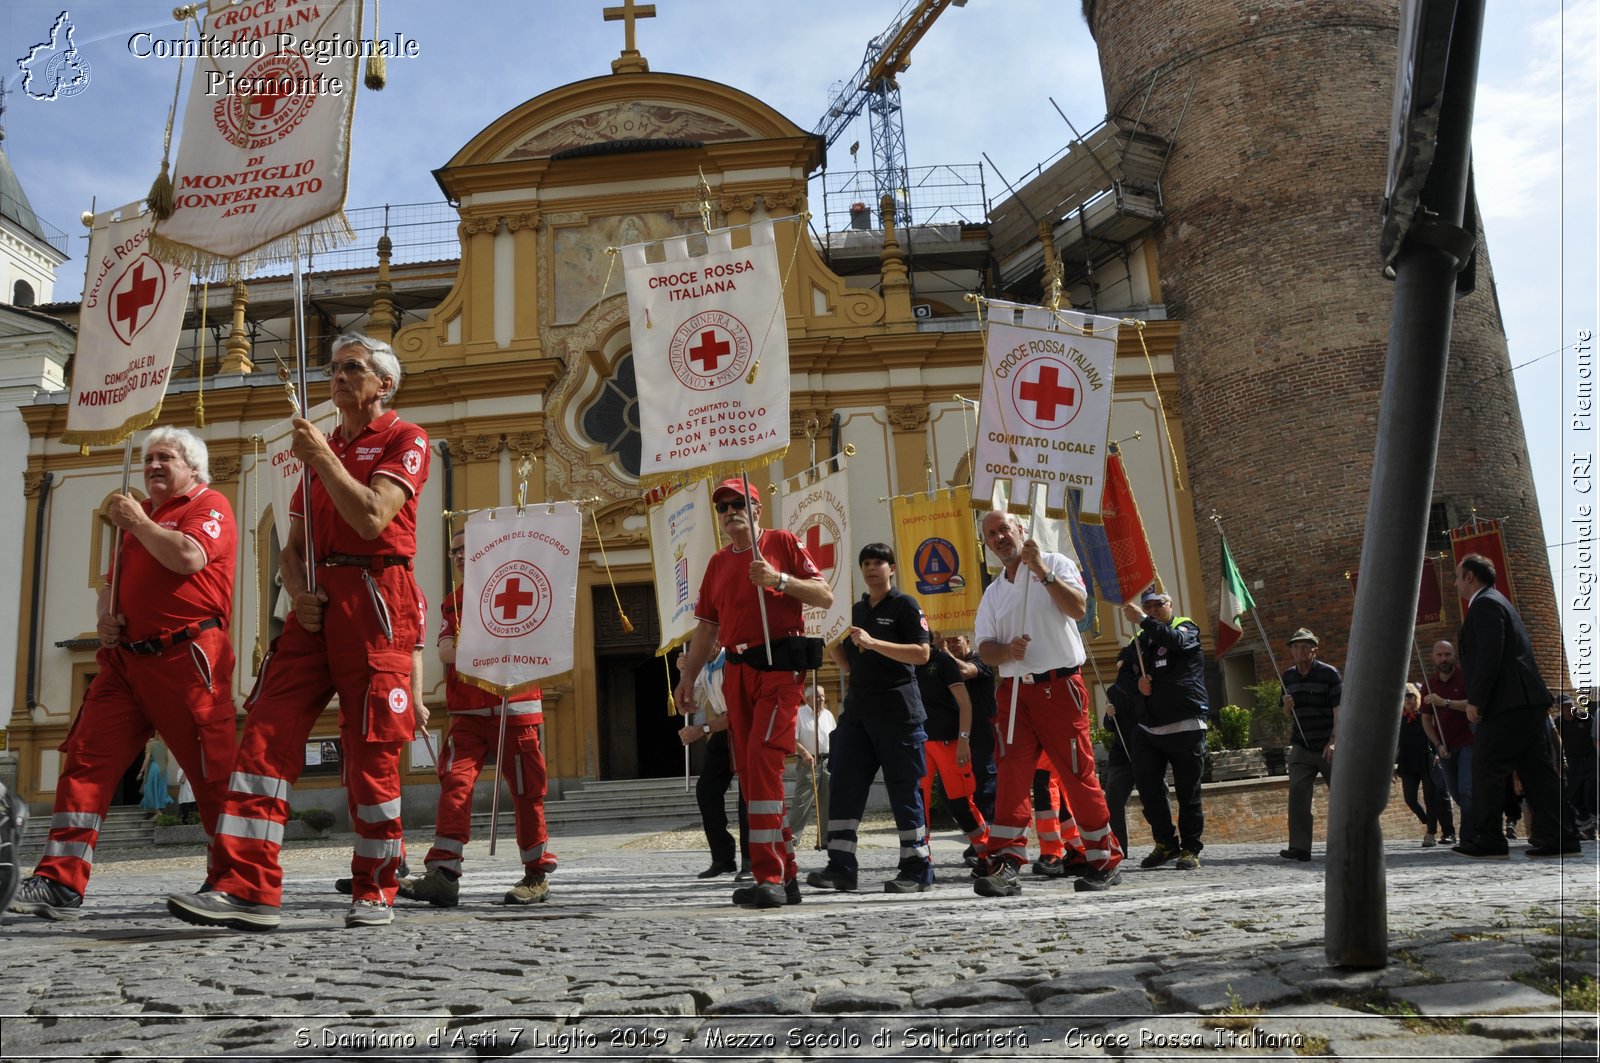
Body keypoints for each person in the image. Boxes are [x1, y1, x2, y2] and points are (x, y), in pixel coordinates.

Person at [167, 333, 430, 931]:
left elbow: (371, 516)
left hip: (375, 597)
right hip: (314, 606)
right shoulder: (324, 449)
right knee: (263, 733)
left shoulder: (403, 439)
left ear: (383, 384)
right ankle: (246, 887)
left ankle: (376, 886)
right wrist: (299, 592)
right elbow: (288, 549)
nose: (338, 377)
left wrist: (324, 460)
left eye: (353, 368)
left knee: (370, 750)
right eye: (334, 368)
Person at [9, 426, 238, 922]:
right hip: (123, 663)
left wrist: (137, 522)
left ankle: (234, 880)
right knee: (86, 762)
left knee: (210, 772)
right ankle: (59, 881)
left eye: (164, 458)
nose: (152, 466)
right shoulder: (145, 520)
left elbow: (187, 557)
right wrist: (103, 617)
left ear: (192, 467)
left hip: (186, 657)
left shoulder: (209, 504)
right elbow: (111, 586)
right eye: (148, 458)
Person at [673, 477, 832, 908]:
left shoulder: (782, 542)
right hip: (737, 672)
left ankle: (769, 876)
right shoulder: (718, 564)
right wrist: (689, 678)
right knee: (749, 772)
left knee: (763, 760)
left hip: (779, 668)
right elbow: (708, 627)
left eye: (737, 503)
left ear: (757, 507)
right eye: (722, 507)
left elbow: (824, 595)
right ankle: (787, 874)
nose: (729, 512)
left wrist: (779, 579)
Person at [397, 528, 557, 908]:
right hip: (468, 711)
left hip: (514, 707)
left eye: (466, 549)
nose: (457, 556)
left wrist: (481, 641)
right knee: (455, 784)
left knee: (527, 792)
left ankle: (536, 875)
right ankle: (444, 874)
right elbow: (446, 653)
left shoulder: (518, 586)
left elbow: (532, 637)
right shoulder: (453, 602)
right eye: (453, 550)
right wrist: (489, 641)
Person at [970, 511, 1124, 896]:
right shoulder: (993, 592)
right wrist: (1007, 649)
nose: (999, 537)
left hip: (1058, 685)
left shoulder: (1055, 563)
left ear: (1022, 530)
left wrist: (1042, 571)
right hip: (1014, 693)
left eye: (1005, 528)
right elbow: (986, 649)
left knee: (1076, 773)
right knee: (1011, 776)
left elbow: (1077, 609)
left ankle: (1103, 857)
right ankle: (1006, 862)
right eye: (991, 533)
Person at [807, 543, 934, 894]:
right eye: (866, 563)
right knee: (845, 785)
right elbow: (850, 664)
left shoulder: (905, 605)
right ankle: (841, 867)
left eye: (878, 562)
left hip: (897, 712)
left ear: (891, 568)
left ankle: (916, 868)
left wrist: (874, 642)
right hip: (859, 713)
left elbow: (922, 654)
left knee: (903, 790)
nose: (872, 568)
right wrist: (830, 641)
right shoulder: (857, 610)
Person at [1452, 554, 1581, 858]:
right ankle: (1560, 836)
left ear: (1470, 576)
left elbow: (1489, 655)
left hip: (1506, 704)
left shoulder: (1485, 604)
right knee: (1537, 771)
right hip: (1525, 702)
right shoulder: (1500, 601)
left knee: (1486, 767)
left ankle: (1489, 840)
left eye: (1457, 577)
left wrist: (1477, 700)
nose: (1455, 583)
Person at [1122, 588, 1209, 871]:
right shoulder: (1140, 639)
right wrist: (1137, 686)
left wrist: (1144, 621)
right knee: (1149, 790)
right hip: (1149, 729)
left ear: (1170, 604)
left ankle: (1190, 848)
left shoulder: (1185, 626)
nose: (1152, 609)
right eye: (1147, 606)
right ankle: (1165, 843)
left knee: (1188, 792)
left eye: (1158, 604)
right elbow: (1122, 676)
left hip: (1185, 725)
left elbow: (1176, 642)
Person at [916, 634, 989, 865]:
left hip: (950, 742)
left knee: (960, 802)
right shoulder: (906, 663)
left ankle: (986, 851)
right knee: (918, 801)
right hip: (920, 743)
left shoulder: (943, 661)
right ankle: (921, 857)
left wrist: (964, 740)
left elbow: (965, 703)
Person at [678, 650, 750, 880]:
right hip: (722, 725)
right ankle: (723, 858)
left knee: (748, 795)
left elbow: (738, 712)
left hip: (744, 725)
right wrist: (684, 675)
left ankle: (751, 860)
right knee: (706, 790)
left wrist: (702, 730)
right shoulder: (702, 667)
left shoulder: (733, 661)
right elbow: (687, 706)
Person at [1279, 627, 1340, 862]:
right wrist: (1286, 705)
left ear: (1314, 650)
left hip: (1327, 744)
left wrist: (1334, 741)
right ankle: (1300, 847)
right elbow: (1286, 715)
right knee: (1298, 796)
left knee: (1342, 795)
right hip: (1301, 746)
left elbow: (1339, 710)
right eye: (1295, 647)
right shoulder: (1288, 676)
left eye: (1304, 647)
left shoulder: (1329, 674)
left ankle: (1351, 841)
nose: (1299, 651)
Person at [943, 632, 998, 826]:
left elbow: (967, 672)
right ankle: (978, 836)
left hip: (982, 735)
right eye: (947, 642)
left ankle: (990, 839)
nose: (951, 645)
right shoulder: (946, 664)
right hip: (956, 736)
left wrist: (944, 653)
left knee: (984, 788)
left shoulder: (980, 658)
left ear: (967, 641)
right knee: (954, 790)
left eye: (955, 640)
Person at [1419, 640, 1470, 845]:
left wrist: (1445, 703)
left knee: (1467, 790)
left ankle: (1470, 836)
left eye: (1447, 655)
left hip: (1469, 742)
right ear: (1433, 658)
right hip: (1445, 747)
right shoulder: (1429, 684)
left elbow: (1474, 704)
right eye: (1439, 655)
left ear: (1454, 656)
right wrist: (1437, 744)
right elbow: (1425, 719)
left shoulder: (1465, 678)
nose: (1443, 659)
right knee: (1456, 793)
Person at [1396, 683, 1453, 846]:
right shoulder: (1400, 720)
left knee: (1430, 799)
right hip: (1407, 763)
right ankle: (1428, 821)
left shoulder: (1425, 716)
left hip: (1425, 762)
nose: (1408, 699)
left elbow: (1435, 736)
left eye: (1410, 695)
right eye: (1405, 696)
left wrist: (1437, 753)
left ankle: (1431, 834)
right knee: (1410, 799)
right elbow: (1396, 744)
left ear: (1416, 697)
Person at [789, 684, 835, 850]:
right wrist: (805, 754)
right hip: (808, 762)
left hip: (828, 761)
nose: (821, 699)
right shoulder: (799, 714)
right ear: (807, 699)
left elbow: (834, 737)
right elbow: (792, 740)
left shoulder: (828, 715)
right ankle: (791, 838)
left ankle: (826, 839)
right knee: (802, 802)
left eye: (822, 696)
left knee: (828, 802)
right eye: (816, 696)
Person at [138, 739, 173, 818]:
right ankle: (158, 810)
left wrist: (141, 772)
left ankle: (157, 811)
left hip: (155, 767)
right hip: (163, 769)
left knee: (150, 789)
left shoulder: (149, 744)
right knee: (160, 789)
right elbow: (166, 759)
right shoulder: (161, 745)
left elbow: (146, 759)